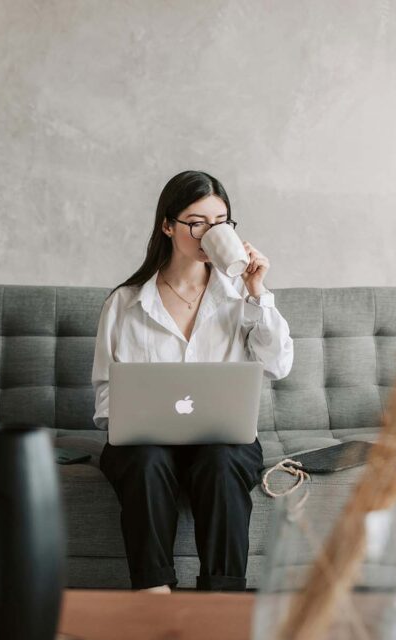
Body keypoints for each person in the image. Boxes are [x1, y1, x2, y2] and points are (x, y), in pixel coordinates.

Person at [90, 170, 294, 593]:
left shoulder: (240, 297)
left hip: (221, 439)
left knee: (222, 462)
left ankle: (221, 597)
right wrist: (131, 420)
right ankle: (153, 593)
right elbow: (107, 394)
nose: (209, 233)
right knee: (145, 461)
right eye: (196, 222)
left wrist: (258, 292)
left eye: (221, 222)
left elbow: (278, 366)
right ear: (168, 225)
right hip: (145, 444)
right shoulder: (125, 303)